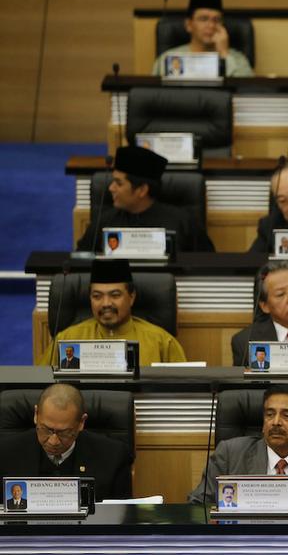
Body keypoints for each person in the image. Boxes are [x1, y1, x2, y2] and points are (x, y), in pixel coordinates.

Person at [38, 260, 188, 367]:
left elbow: (182, 391)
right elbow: (41, 386)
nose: (106, 304)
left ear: (131, 297)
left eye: (115, 295)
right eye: (97, 296)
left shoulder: (162, 342)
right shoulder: (66, 339)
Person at [0, 384, 132, 501]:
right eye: (46, 430)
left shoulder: (113, 456)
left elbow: (121, 514)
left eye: (64, 433)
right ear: (36, 414)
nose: (53, 441)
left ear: (81, 422)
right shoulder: (5, 453)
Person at [76, 146, 215, 253]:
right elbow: (81, 262)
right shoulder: (104, 222)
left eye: (118, 183)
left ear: (142, 190)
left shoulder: (183, 223)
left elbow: (206, 264)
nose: (111, 188)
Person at [152, 0, 254, 77]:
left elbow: (246, 89)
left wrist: (224, 54)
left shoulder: (238, 60)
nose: (211, 25)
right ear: (189, 25)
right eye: (203, 19)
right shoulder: (168, 59)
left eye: (216, 20)